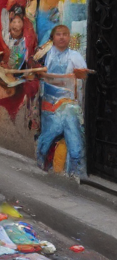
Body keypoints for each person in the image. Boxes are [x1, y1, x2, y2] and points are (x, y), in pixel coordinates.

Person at [36, 25, 89, 176]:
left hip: (68, 106)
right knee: (48, 136)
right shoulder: (45, 54)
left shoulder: (75, 56)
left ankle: (75, 168)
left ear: (69, 37)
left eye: (65, 34)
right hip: (48, 105)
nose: (61, 37)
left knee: (73, 131)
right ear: (53, 37)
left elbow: (84, 77)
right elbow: (34, 69)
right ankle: (42, 161)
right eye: (58, 34)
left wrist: (81, 74)